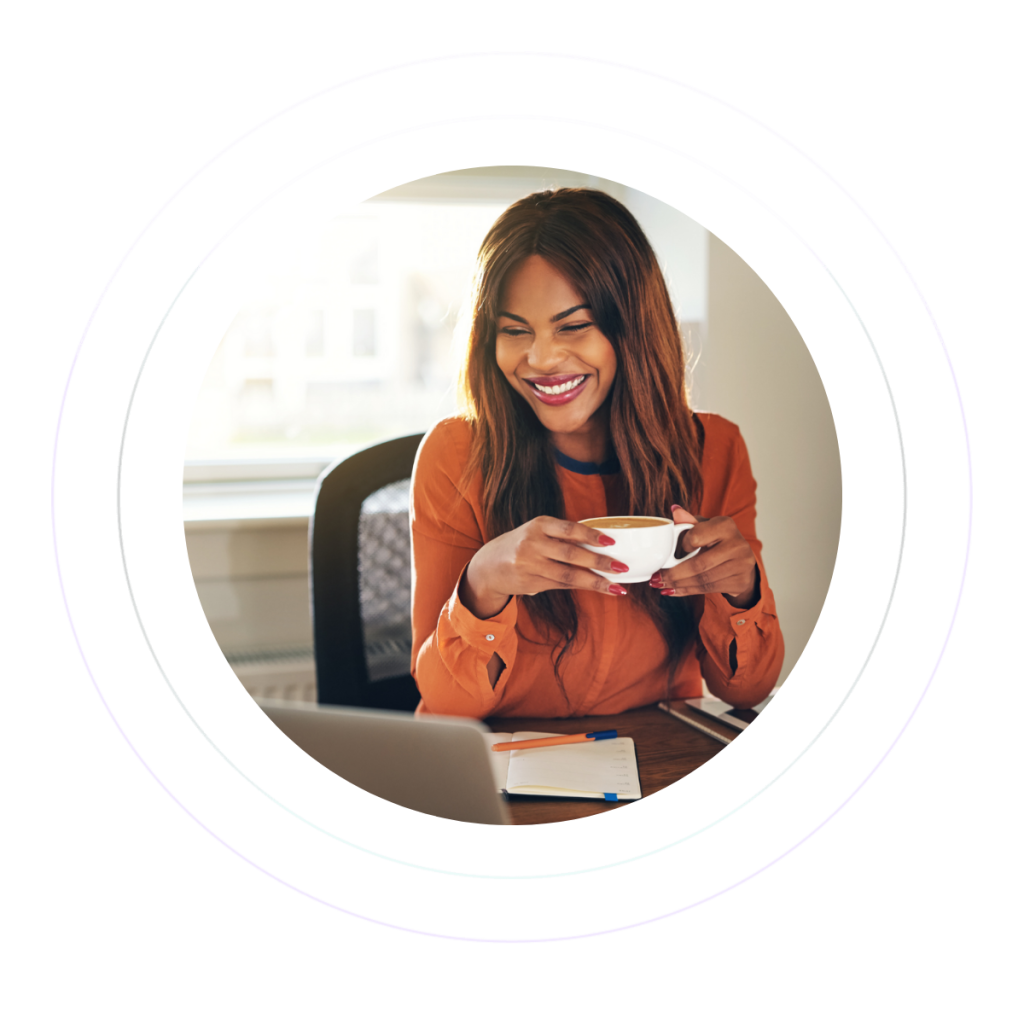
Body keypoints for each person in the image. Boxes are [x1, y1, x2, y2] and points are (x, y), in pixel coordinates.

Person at [409, 188, 783, 719]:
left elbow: (745, 690)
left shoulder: (714, 449)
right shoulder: (455, 455)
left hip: (650, 760)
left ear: (631, 327)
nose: (540, 358)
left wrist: (743, 591)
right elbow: (447, 706)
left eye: (574, 326)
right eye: (515, 331)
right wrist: (483, 582)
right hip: (503, 774)